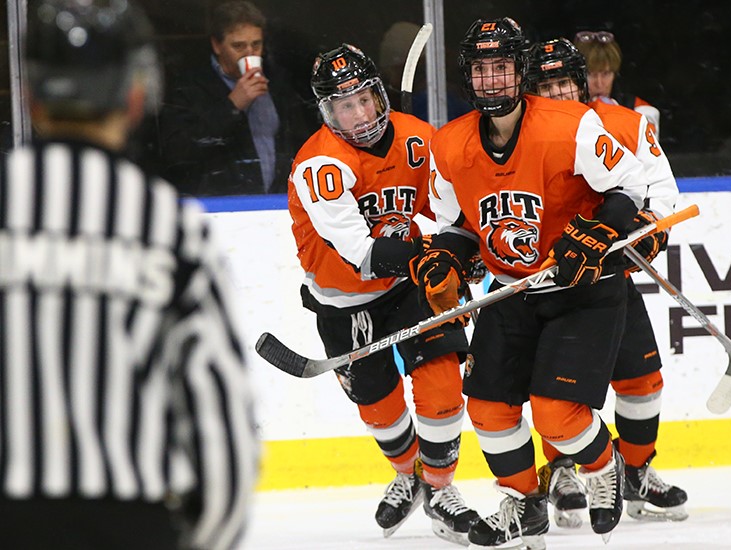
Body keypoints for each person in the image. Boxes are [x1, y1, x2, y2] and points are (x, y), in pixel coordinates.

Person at [1, 1, 259, 549]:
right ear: (137, 95)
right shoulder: (169, 229)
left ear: (30, 94)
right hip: (128, 522)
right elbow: (224, 432)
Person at [414, 17, 650, 548]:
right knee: (490, 411)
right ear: (467, 77)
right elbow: (456, 226)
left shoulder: (570, 125)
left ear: (520, 70)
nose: (492, 80)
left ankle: (602, 461)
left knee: (557, 417)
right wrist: (446, 260)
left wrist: (597, 227)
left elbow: (631, 189)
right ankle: (524, 504)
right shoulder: (450, 145)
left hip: (583, 292)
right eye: (481, 69)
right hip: (512, 291)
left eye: (501, 67)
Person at [287, 43, 479, 545]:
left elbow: (449, 210)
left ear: (379, 95)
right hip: (345, 298)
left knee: (440, 386)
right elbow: (361, 251)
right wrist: (426, 252)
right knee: (379, 407)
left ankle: (439, 491)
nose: (357, 114)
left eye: (363, 100)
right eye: (342, 105)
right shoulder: (319, 164)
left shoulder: (420, 138)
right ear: (327, 112)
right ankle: (407, 471)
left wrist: (458, 247)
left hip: (408, 287)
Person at [525, 37, 689, 527]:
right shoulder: (520, 132)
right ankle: (561, 470)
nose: (558, 93)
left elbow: (661, 192)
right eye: (546, 85)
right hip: (547, 284)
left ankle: (635, 471)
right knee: (557, 390)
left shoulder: (626, 125)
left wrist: (650, 232)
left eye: (565, 83)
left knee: (641, 382)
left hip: (608, 279)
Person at [159, 0, 307, 195]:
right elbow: (179, 152)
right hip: (222, 204)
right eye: (238, 46)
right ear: (217, 45)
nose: (249, 53)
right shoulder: (190, 88)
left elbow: (297, 141)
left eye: (256, 44)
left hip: (276, 199)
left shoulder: (277, 82)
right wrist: (233, 105)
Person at [573, 30, 661, 142]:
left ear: (615, 74)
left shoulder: (640, 111)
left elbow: (647, 158)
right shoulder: (562, 110)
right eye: (591, 74)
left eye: (606, 74)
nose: (599, 83)